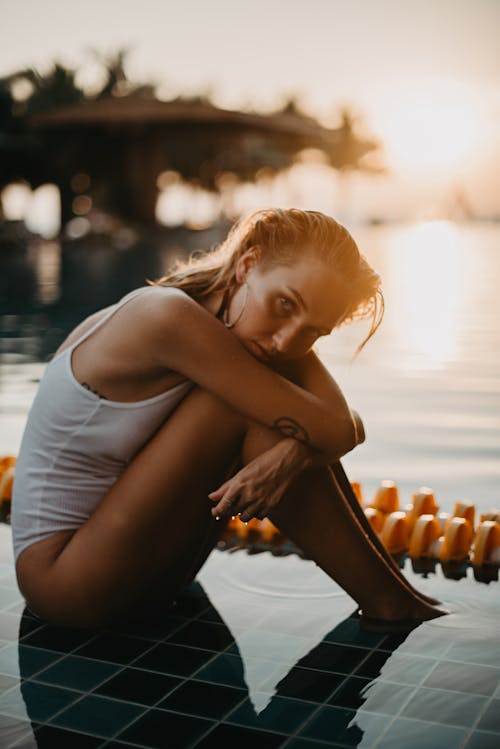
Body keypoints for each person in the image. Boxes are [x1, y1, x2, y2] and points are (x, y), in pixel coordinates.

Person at [11, 208, 446, 631]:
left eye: (315, 331)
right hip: (64, 585)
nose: (287, 340)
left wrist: (290, 456)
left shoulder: (268, 330)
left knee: (280, 416)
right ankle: (389, 603)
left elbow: (343, 426)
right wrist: (298, 443)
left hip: (147, 575)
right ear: (247, 264)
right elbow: (336, 427)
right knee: (251, 411)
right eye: (284, 304)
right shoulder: (166, 317)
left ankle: (398, 595)